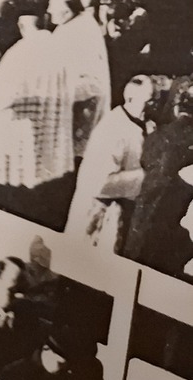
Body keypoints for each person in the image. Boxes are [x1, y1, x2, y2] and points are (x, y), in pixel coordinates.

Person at [64, 74, 156, 251]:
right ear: (130, 98)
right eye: (148, 101)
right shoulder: (113, 127)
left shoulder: (141, 124)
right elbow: (98, 183)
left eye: (154, 101)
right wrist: (147, 177)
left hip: (118, 212)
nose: (152, 106)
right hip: (96, 214)